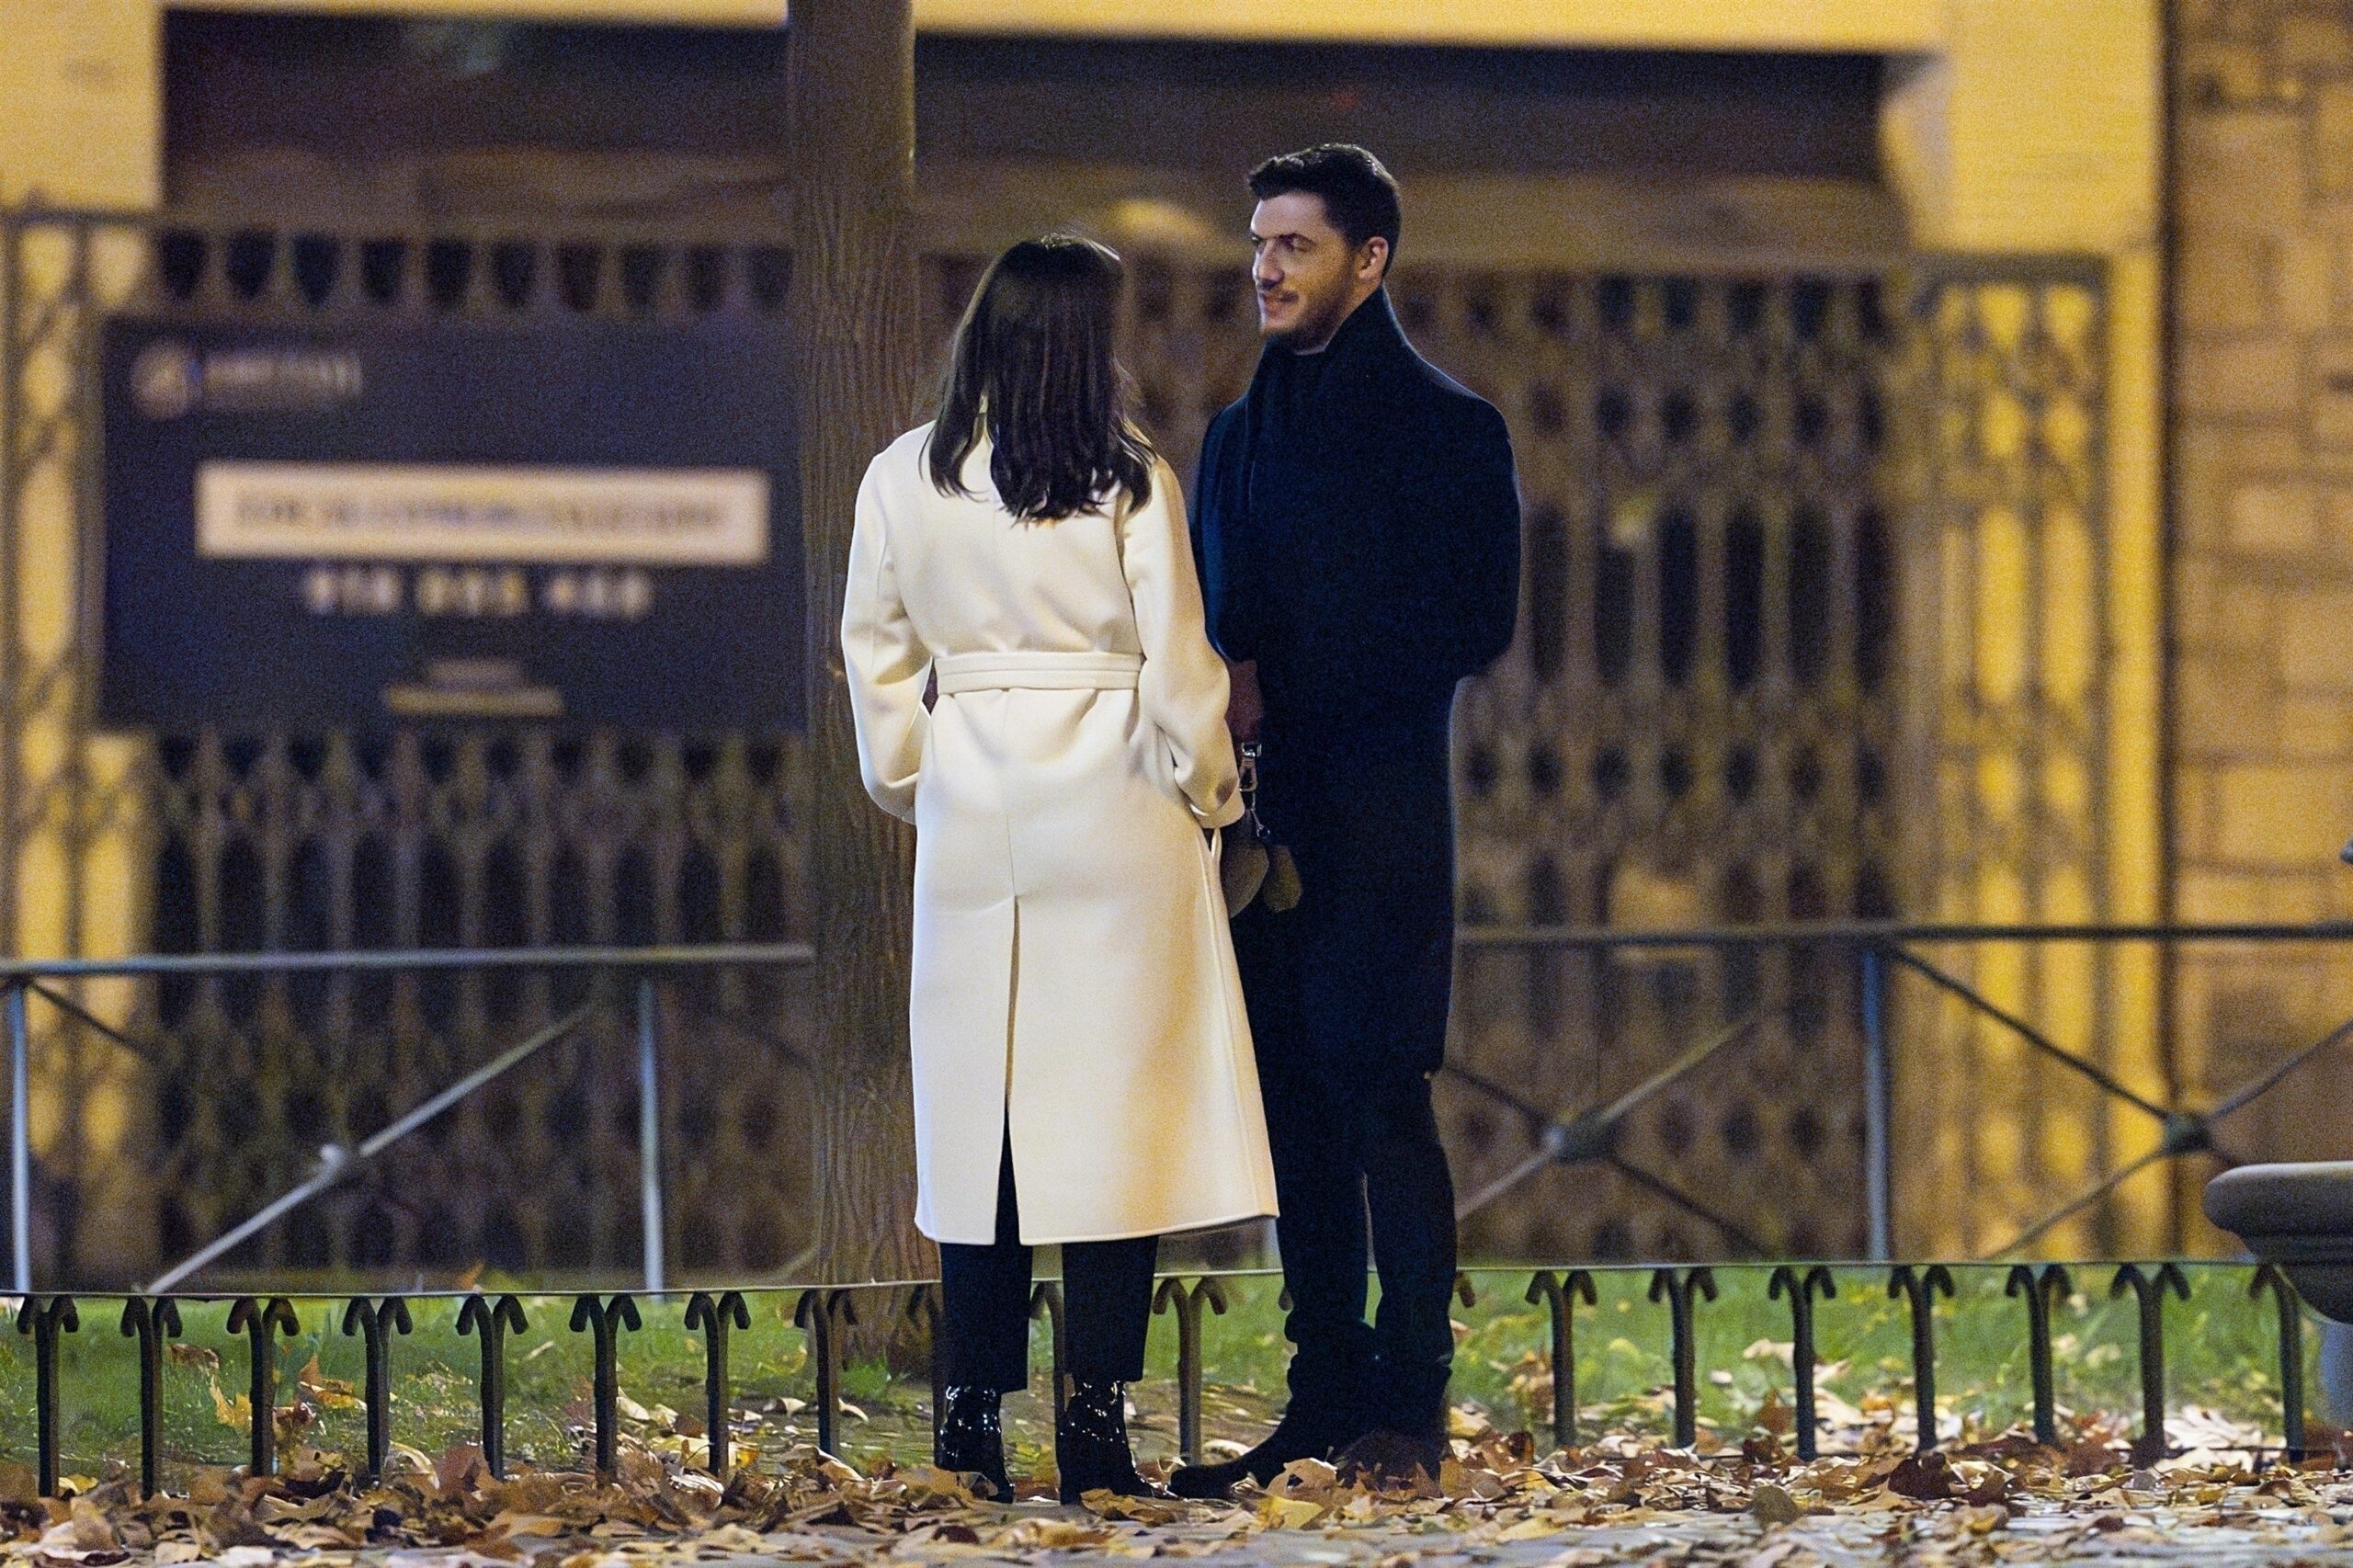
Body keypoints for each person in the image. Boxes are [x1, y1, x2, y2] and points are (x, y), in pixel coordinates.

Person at [841, 235, 1279, 1503]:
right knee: (1113, 1129)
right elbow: (1183, 669)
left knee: (984, 1133)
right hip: (1117, 805)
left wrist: (926, 772)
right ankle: (1095, 1425)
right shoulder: (1130, 478)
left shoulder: (900, 478)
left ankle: (969, 1423)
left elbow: (875, 661)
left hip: (981, 808)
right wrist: (1210, 796)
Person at [1170, 145, 1522, 1496]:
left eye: (1295, 245)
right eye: (1258, 242)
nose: (1265, 266)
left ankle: (1411, 1400)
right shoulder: (1239, 432)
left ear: (1368, 261)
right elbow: (1217, 609)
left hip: (1378, 819)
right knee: (1293, 1119)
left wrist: (1289, 675)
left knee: (1385, 1101)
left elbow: (1471, 623)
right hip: (1261, 823)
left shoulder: (1448, 426)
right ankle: (1320, 1396)